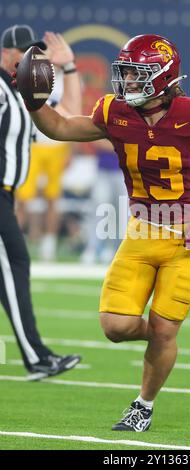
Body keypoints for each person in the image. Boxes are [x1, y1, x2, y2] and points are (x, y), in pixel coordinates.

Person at [16, 34, 190, 430]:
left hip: (188, 238)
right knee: (116, 327)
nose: (127, 83)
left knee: (166, 329)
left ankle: (143, 404)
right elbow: (61, 127)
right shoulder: (115, 112)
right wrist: (34, 102)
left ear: (162, 77)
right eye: (126, 74)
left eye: (136, 75)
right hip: (140, 230)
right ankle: (158, 336)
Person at [0, 24, 81, 380]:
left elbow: (68, 120)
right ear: (7, 54)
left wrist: (69, 68)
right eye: (25, 51)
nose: (33, 58)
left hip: (6, 196)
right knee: (15, 268)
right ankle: (37, 357)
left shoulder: (22, 94)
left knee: (15, 267)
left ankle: (37, 356)